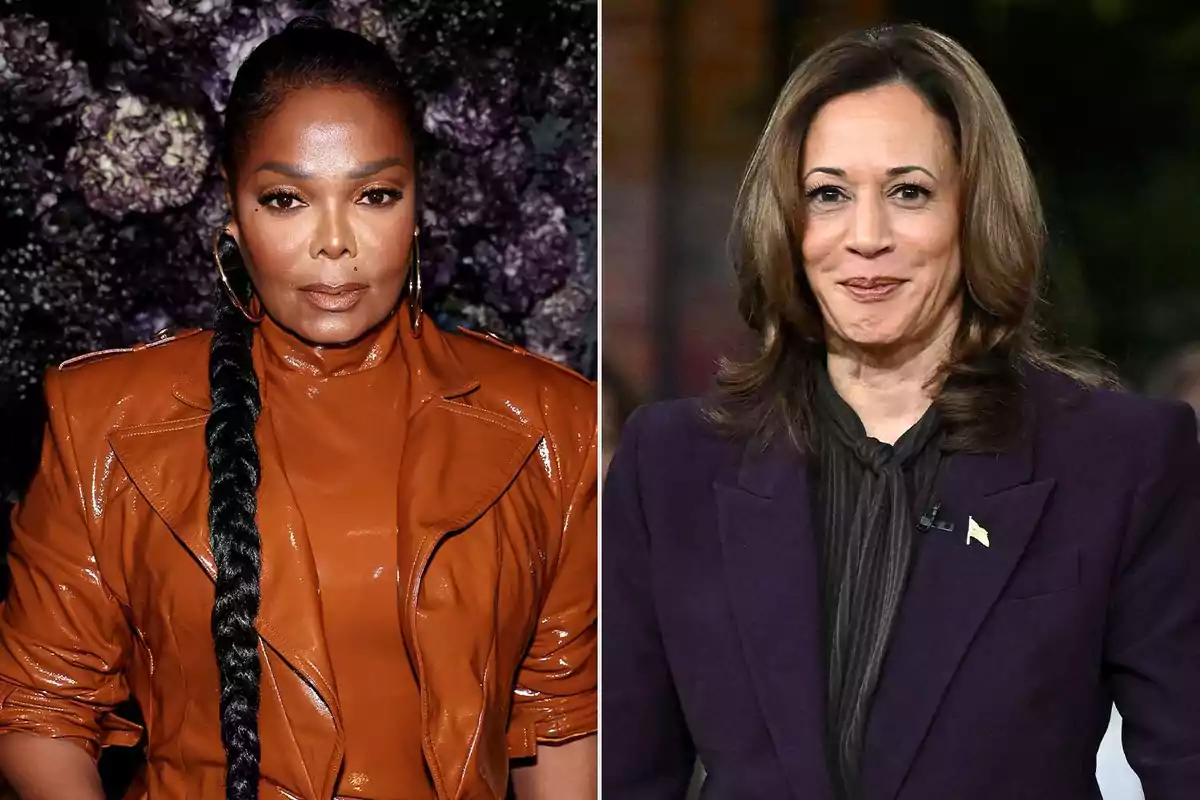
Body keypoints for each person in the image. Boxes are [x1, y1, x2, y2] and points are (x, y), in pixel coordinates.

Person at [0, 17, 597, 800]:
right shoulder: (103, 421)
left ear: (418, 203)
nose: (335, 243)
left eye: (375, 195)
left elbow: (560, 717)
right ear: (233, 209)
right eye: (286, 199)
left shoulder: (551, 425)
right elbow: (41, 705)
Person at [602, 23, 1200, 800]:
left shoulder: (1121, 461)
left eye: (909, 192)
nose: (866, 237)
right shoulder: (673, 462)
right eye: (828, 195)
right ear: (787, 221)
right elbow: (623, 774)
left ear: (974, 213)